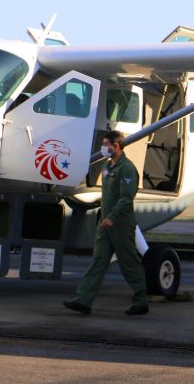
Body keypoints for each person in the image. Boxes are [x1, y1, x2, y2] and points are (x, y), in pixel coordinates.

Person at [64, 131, 148, 316]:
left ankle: (141, 301)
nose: (103, 148)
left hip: (121, 223)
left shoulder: (127, 169)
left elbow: (126, 198)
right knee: (98, 261)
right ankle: (83, 300)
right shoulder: (106, 166)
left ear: (116, 146)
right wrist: (105, 217)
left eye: (105, 144)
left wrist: (113, 217)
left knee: (129, 262)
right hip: (105, 223)